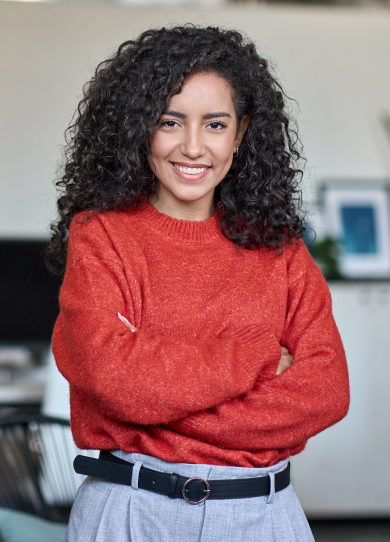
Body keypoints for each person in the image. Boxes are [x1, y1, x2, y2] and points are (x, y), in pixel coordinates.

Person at [48, 25, 350, 542]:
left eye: (215, 124)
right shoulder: (102, 236)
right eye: (170, 121)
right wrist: (257, 356)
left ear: (241, 131)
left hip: (262, 517)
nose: (193, 147)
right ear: (139, 128)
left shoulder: (281, 249)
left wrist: (152, 412)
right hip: (130, 514)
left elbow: (325, 392)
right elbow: (112, 379)